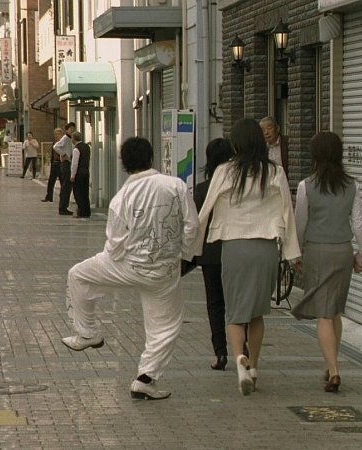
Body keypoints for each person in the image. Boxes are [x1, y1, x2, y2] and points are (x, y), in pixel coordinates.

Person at [63, 137, 199, 400]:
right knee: (164, 326)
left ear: (124, 164)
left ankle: (87, 332)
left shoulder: (122, 197)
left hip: (127, 266)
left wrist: (114, 262)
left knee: (78, 275)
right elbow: (192, 226)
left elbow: (115, 243)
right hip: (164, 271)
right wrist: (184, 256)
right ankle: (145, 378)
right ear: (151, 158)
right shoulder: (176, 186)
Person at [193, 118, 300, 396]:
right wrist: (292, 252)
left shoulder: (225, 171)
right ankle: (254, 366)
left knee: (234, 311)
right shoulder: (274, 171)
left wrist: (192, 247)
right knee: (257, 311)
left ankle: (240, 357)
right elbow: (287, 211)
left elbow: (205, 211)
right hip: (265, 247)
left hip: (234, 246)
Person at [292, 131, 362, 393]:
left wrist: (296, 252)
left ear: (315, 155)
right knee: (334, 309)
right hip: (343, 252)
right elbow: (358, 224)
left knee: (323, 313)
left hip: (317, 251)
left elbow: (300, 223)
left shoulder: (306, 186)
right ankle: (331, 363)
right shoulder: (352, 185)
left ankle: (334, 370)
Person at [193, 138, 235, 371]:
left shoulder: (202, 189)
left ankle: (220, 352)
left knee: (215, 303)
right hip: (234, 250)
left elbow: (195, 224)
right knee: (237, 301)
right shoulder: (237, 188)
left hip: (210, 254)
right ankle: (244, 348)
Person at [54, 122, 76, 215]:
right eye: (71, 129)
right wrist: (64, 154)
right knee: (66, 186)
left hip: (69, 163)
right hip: (66, 164)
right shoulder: (65, 138)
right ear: (67, 130)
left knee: (67, 187)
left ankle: (64, 207)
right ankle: (62, 207)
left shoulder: (70, 139)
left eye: (73, 129)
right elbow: (56, 147)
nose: (72, 130)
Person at [70, 131, 91, 218]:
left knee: (78, 193)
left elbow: (75, 163)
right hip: (86, 171)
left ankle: (81, 211)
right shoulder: (87, 147)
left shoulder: (76, 149)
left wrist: (72, 175)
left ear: (73, 139)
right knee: (85, 192)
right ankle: (87, 211)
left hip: (79, 173)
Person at [42, 128, 64, 202]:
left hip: (61, 164)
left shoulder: (63, 143)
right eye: (55, 134)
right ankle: (49, 197)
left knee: (62, 182)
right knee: (51, 181)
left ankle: (62, 197)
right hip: (54, 163)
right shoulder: (54, 143)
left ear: (61, 135)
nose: (56, 135)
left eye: (58, 134)